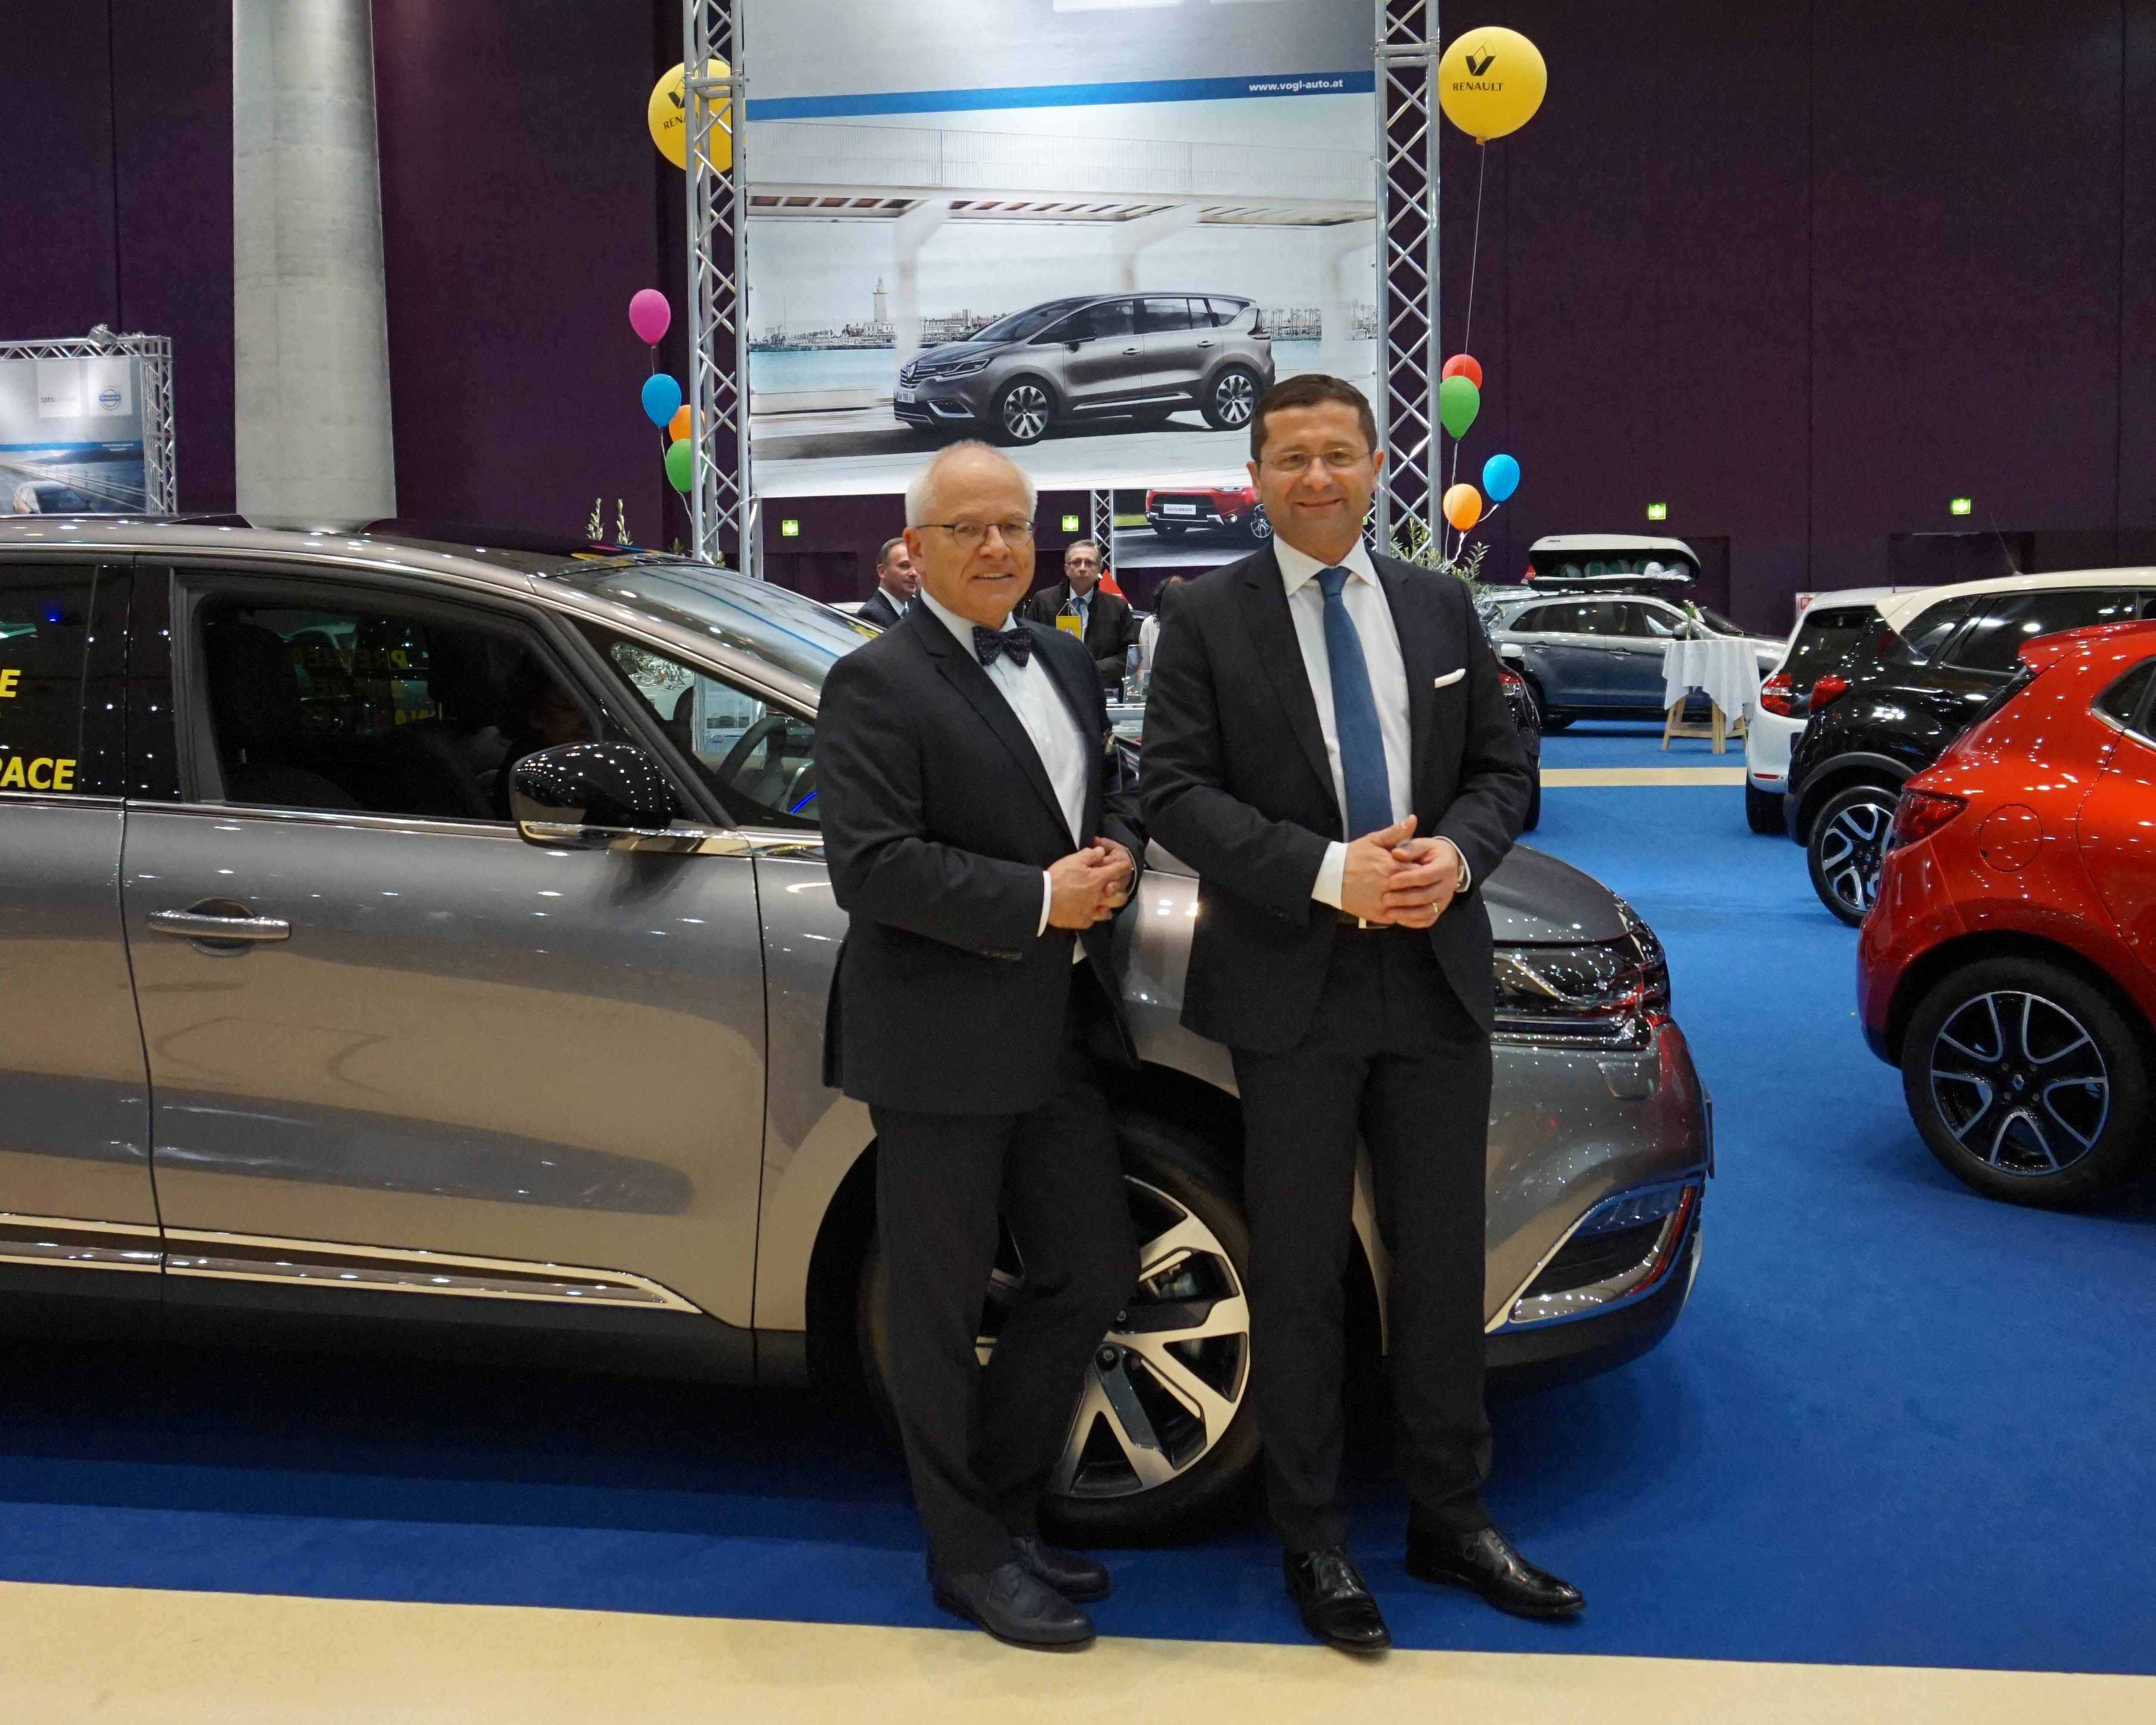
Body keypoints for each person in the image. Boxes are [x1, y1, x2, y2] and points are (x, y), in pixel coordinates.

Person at [1139, 374, 1574, 1653]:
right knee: (1298, 1271)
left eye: (1338, 453)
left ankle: (1450, 1515)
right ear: (1255, 477)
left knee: (1440, 1261)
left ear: (1378, 464)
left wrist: (1458, 855)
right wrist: (1331, 873)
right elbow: (1174, 793)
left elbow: (1502, 768)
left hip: (1432, 975)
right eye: (1291, 458)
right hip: (1290, 982)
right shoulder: (1202, 616)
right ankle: (1314, 1537)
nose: (1316, 477)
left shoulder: (1438, 603)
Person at [814, 441, 1144, 1652]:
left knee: (1089, 1269)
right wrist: (1040, 899)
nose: (998, 546)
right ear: (916, 548)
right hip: (936, 1041)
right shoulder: (874, 682)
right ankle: (963, 1555)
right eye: (968, 529)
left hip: (1057, 1028)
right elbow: (872, 866)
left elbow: (1111, 790)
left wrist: (1117, 851)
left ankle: (1004, 1509)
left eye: (1013, 524)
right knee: (937, 1310)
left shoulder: (1061, 657)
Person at [1021, 538, 1139, 689]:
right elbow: (1027, 645)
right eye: (1076, 563)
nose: (1082, 568)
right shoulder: (1043, 602)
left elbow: (1131, 656)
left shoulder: (1117, 607)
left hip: (1102, 689)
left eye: (1089, 563)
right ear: (1067, 569)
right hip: (1054, 687)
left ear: (1099, 569)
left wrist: (1091, 668)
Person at [858, 535, 919, 629]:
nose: (914, 573)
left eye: (917, 566)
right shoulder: (871, 615)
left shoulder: (916, 606)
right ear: (882, 572)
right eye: (904, 566)